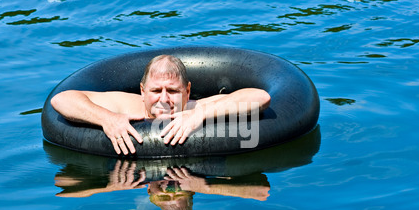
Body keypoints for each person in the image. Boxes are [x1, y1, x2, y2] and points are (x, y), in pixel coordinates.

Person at [51, 54, 271, 155]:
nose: (164, 99)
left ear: (187, 92)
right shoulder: (126, 104)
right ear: (142, 91)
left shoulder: (195, 107)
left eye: (173, 91)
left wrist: (201, 114)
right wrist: (106, 119)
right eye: (156, 91)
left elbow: (261, 97)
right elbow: (61, 99)